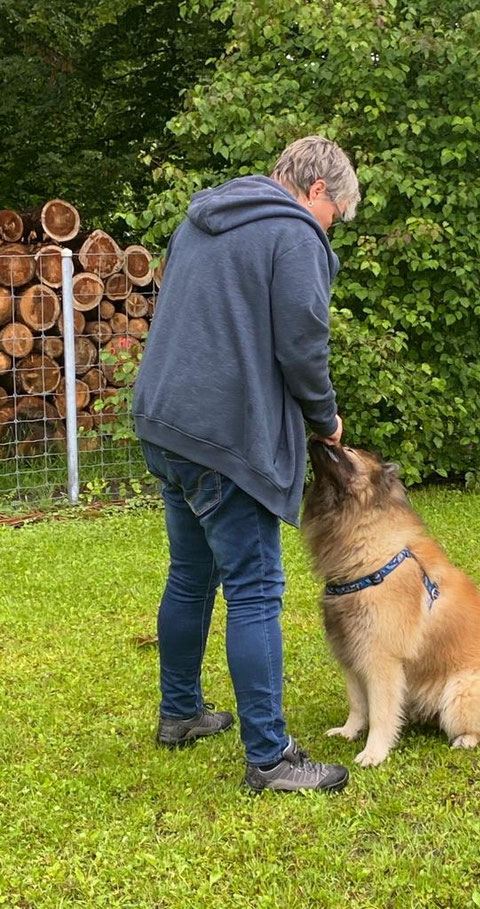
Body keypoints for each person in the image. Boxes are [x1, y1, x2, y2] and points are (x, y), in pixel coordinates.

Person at [132, 136, 361, 792]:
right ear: (318, 190)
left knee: (190, 571)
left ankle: (180, 712)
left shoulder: (206, 216)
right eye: (336, 215)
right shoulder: (291, 234)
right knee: (256, 588)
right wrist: (327, 419)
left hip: (165, 419)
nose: (330, 229)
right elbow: (302, 343)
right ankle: (270, 757)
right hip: (222, 434)